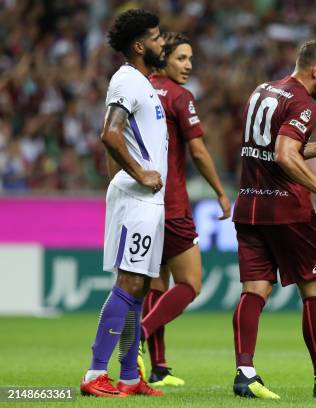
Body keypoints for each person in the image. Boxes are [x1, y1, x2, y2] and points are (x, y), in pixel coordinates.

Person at [231, 40, 316, 399]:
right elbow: (284, 155)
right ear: (315, 69)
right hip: (287, 210)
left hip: (250, 205)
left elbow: (273, 149)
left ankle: (245, 374)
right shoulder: (302, 102)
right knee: (314, 292)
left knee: (254, 291)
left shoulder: (263, 90)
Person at [79, 9, 168, 397]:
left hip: (148, 199)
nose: (162, 41)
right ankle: (94, 373)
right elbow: (110, 134)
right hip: (137, 198)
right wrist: (139, 173)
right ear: (139, 45)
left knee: (141, 286)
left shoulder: (144, 83)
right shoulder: (127, 81)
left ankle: (130, 375)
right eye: (157, 36)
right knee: (129, 281)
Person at [137, 32, 231, 387]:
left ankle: (158, 368)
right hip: (172, 203)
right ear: (164, 59)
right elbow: (199, 151)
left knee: (157, 283)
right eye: (181, 58)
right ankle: (140, 335)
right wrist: (221, 192)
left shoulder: (140, 89)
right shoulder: (179, 96)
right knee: (190, 283)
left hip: (141, 202)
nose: (188, 65)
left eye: (191, 58)